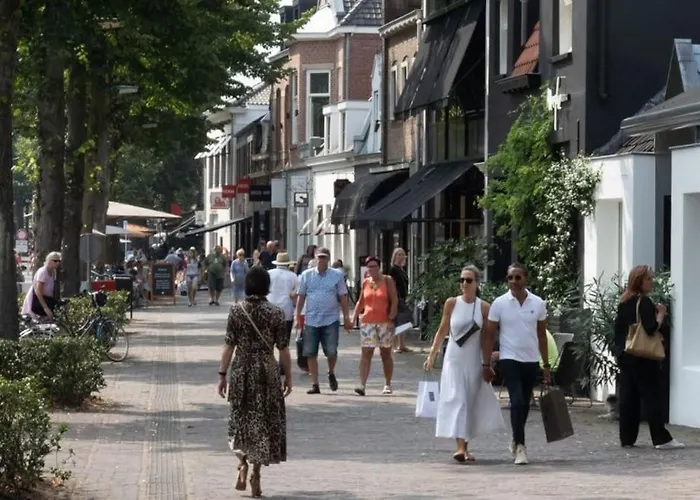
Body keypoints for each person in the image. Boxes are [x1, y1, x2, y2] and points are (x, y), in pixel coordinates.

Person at [217, 266, 292, 498]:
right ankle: (256, 473)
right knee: (263, 422)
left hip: (242, 370)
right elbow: (284, 349)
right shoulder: (276, 313)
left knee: (240, 419)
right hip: (267, 371)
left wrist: (222, 375)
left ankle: (242, 462)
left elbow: (229, 345)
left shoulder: (237, 311)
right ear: (266, 286)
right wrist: (288, 376)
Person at [424, 265, 504, 462]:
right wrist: (432, 354)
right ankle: (459, 448)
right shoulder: (451, 303)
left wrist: (487, 363)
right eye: (462, 280)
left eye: (469, 280)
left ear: (477, 283)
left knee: (469, 401)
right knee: (457, 399)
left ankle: (465, 447)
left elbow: (486, 338)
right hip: (454, 359)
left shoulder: (484, 307)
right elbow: (442, 330)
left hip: (473, 359)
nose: (464, 284)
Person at [481, 263, 549, 465]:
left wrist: (546, 365)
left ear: (526, 279)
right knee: (517, 401)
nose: (513, 281)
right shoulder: (499, 303)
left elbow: (542, 335)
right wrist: (486, 363)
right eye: (510, 277)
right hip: (509, 358)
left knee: (524, 404)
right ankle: (520, 446)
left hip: (530, 360)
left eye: (517, 277)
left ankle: (515, 438)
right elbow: (489, 335)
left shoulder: (538, 303)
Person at [613, 265, 683, 450]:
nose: (652, 282)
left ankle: (627, 438)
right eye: (648, 279)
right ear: (639, 281)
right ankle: (661, 438)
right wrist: (660, 314)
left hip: (625, 354)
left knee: (628, 397)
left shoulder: (624, 301)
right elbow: (651, 328)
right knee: (652, 396)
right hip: (642, 356)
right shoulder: (644, 302)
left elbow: (618, 330)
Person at [296, 248, 353, 394]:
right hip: (311, 319)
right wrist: (298, 316)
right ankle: (315, 384)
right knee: (310, 352)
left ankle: (331, 372)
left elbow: (343, 297)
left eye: (324, 257)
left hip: (330, 319)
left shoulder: (337, 275)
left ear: (328, 259)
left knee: (332, 351)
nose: (322, 260)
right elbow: (301, 296)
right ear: (315, 258)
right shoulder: (306, 275)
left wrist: (347, 317)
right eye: (319, 257)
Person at [352, 256, 398, 396]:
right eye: (369, 267)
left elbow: (394, 300)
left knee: (385, 353)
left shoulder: (387, 280)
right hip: (368, 322)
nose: (371, 269)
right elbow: (361, 302)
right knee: (366, 352)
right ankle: (362, 385)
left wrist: (392, 317)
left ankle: (387, 384)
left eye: (374, 266)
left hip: (384, 322)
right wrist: (353, 319)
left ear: (379, 267)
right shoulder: (366, 282)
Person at [267, 252, 298, 352]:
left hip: (270, 308)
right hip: (286, 310)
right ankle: (283, 361)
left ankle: (269, 359)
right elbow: (296, 293)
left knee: (268, 339)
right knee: (284, 343)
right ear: (288, 263)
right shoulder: (293, 276)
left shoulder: (269, 274)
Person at [22, 251, 62, 319]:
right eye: (55, 261)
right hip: (38, 301)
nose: (57, 263)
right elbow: (38, 292)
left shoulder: (53, 272)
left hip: (47, 299)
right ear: (49, 261)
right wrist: (45, 308)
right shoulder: (43, 272)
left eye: (59, 261)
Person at [389, 247, 412, 353]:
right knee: (395, 322)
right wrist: (394, 298)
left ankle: (402, 345)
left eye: (403, 254)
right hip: (396, 298)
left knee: (403, 321)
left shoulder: (402, 269)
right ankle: (393, 346)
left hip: (403, 297)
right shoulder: (393, 269)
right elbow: (392, 284)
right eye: (399, 254)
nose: (401, 256)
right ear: (394, 256)